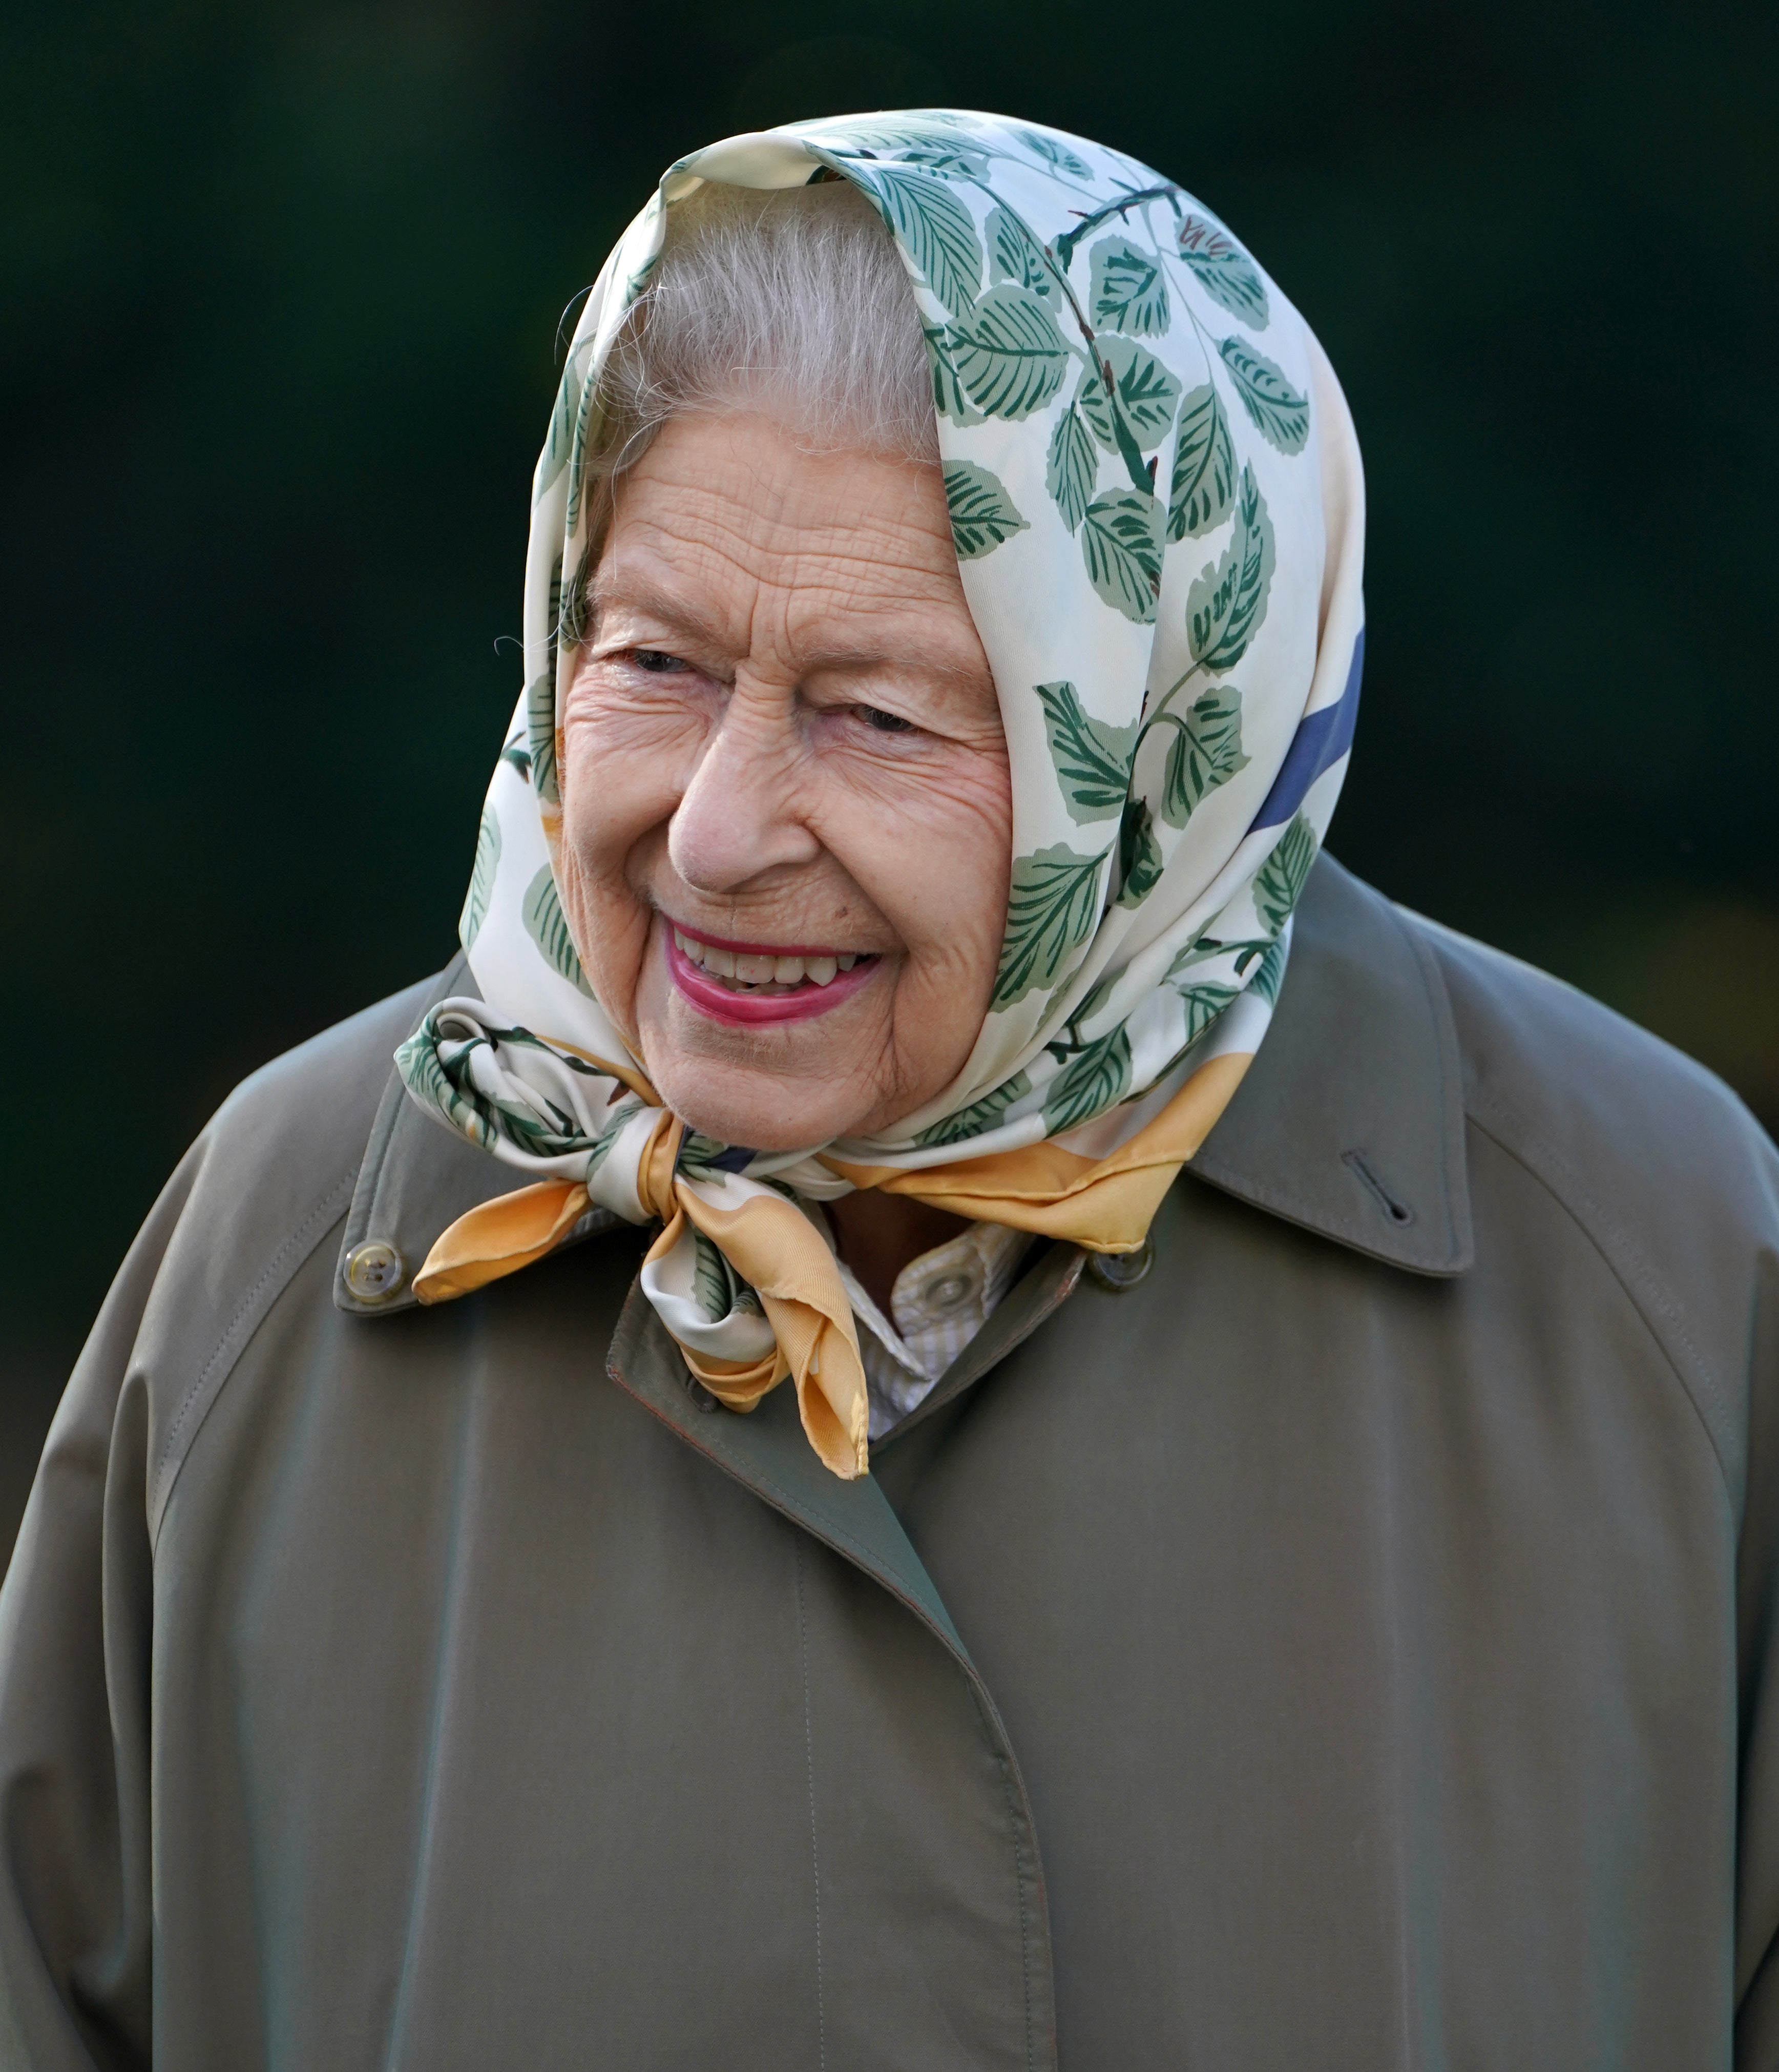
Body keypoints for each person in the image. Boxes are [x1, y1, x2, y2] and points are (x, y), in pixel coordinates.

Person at [0, 110, 1774, 2071]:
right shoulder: (302, 1231)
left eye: (877, 711)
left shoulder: (1660, 1266)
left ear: (1169, 733)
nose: (721, 826)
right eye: (656, 661)